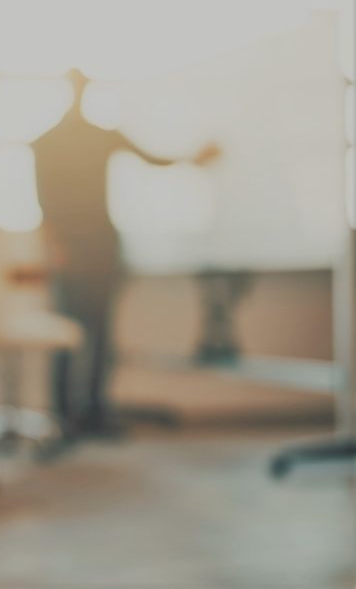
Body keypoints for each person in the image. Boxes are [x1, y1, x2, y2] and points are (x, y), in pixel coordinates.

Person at [32, 69, 220, 436]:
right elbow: (43, 200)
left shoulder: (101, 135)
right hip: (68, 248)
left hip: (102, 243)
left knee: (102, 332)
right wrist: (52, 247)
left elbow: (152, 159)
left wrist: (193, 160)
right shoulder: (47, 140)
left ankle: (94, 410)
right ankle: (62, 414)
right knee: (68, 332)